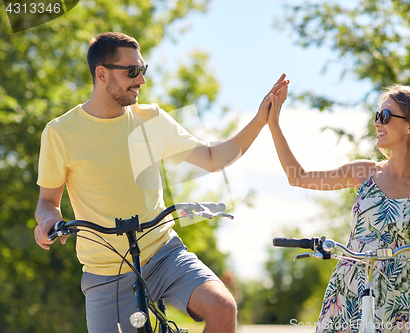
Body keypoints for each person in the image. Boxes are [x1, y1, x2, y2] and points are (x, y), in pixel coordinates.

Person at [34, 32, 287, 333]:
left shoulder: (152, 118)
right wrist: (49, 221)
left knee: (223, 307)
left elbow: (212, 158)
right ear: (101, 74)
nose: (140, 79)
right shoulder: (60, 132)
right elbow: (47, 201)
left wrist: (260, 119)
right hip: (105, 272)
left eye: (143, 69)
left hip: (163, 253)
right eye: (132, 71)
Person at [268, 82, 410, 332]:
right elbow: (298, 177)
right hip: (346, 291)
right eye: (377, 116)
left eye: (385, 116)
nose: (377, 123)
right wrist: (273, 125)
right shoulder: (364, 172)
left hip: (397, 302)